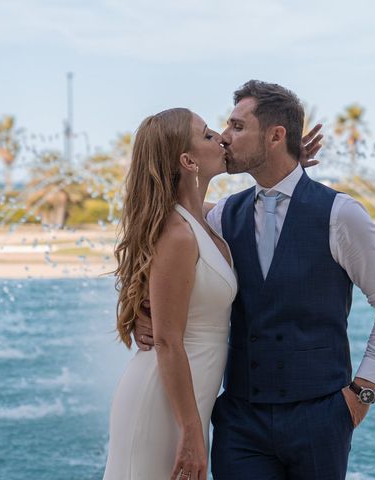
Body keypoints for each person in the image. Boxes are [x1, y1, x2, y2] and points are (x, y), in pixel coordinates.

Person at [135, 80, 375, 479]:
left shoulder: (340, 214)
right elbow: (158, 229)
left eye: (237, 127)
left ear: (276, 135)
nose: (225, 138)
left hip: (321, 419)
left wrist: (363, 392)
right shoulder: (222, 215)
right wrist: (137, 310)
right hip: (240, 424)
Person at [102, 106, 321, 480]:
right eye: (206, 135)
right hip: (164, 403)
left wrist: (283, 161)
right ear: (188, 161)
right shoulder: (178, 234)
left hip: (188, 404)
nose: (220, 137)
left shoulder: (204, 217)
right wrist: (190, 432)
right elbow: (169, 341)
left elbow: (267, 207)